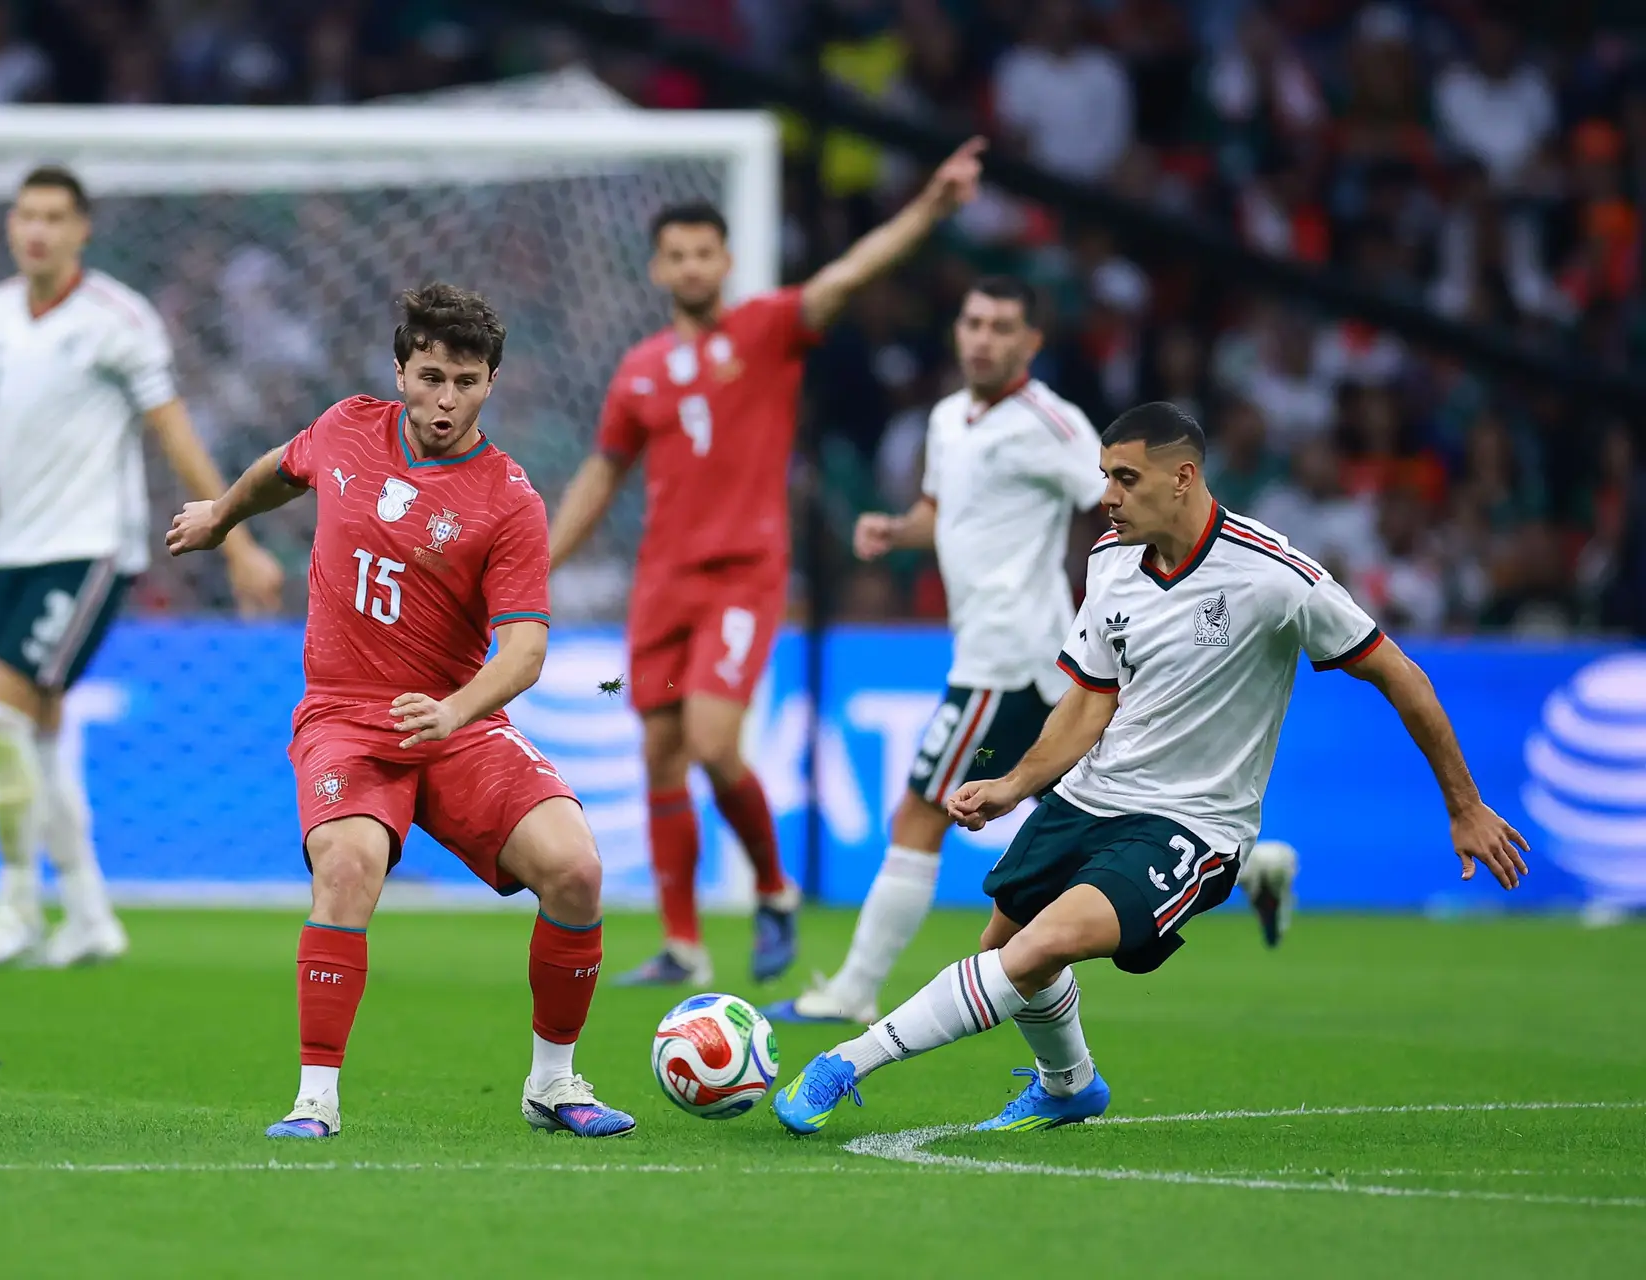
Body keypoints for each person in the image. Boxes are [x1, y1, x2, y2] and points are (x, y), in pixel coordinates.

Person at [773, 402, 1528, 1136]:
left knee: (1038, 947)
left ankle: (846, 1063)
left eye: (1126, 479)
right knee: (1002, 958)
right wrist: (1013, 785)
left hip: (1191, 826)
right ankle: (1069, 1087)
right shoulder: (1110, 563)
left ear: (1183, 477)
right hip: (1091, 795)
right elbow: (1086, 705)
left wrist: (1463, 806)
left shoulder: (1274, 577)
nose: (1106, 497)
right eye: (1104, 476)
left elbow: (1403, 677)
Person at [166, 283, 636, 1141]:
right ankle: (315, 1098)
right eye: (430, 378)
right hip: (346, 715)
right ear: (399, 372)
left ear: (492, 382)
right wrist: (222, 515)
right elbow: (282, 468)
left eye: (465, 381)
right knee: (347, 865)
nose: (445, 400)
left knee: (576, 871)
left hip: (457, 720)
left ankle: (553, 1082)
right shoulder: (347, 426)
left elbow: (525, 652)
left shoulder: (509, 501)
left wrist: (456, 712)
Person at [547, 138, 988, 987]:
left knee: (714, 742)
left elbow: (850, 273)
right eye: (674, 256)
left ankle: (775, 891)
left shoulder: (769, 327)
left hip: (742, 575)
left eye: (702, 253)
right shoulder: (638, 372)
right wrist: (542, 562)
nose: (689, 266)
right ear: (656, 271)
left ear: (727, 261)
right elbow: (603, 473)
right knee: (660, 754)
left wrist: (930, 208)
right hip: (663, 581)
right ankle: (681, 945)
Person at [0, 165, 282, 968]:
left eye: (54, 217)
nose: (38, 229)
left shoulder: (118, 319)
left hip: (91, 547)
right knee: (39, 728)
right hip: (15, 549)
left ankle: (16, 906)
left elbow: (173, 432)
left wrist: (235, 537)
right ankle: (92, 913)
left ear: (82, 230)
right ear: (10, 225)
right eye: (26, 215)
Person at [766, 277, 1103, 1026]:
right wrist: (896, 529)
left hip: (1007, 658)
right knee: (1100, 812)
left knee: (920, 811)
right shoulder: (949, 418)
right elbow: (942, 513)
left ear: (1030, 342)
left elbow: (1112, 499)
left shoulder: (1052, 422)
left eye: (1002, 325)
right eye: (974, 322)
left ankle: (854, 990)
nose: (984, 337)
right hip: (1024, 659)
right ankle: (1253, 869)